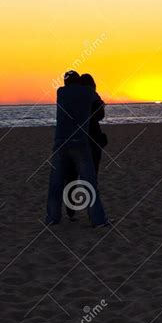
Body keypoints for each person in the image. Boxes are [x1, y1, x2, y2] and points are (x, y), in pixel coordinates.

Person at [45, 70, 109, 227]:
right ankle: (98, 221)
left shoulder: (60, 92)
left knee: (56, 183)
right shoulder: (87, 92)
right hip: (79, 141)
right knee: (89, 182)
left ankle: (52, 218)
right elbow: (99, 106)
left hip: (60, 142)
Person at [64, 73, 108, 221]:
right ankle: (93, 214)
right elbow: (100, 115)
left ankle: (70, 211)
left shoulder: (72, 99)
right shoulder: (92, 97)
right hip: (92, 141)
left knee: (71, 176)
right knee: (91, 178)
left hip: (73, 139)